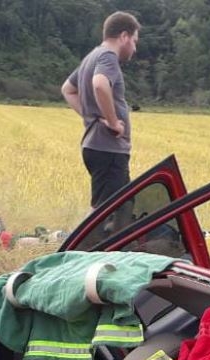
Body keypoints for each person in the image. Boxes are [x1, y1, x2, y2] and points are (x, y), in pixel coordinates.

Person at [61, 11, 140, 210]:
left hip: (97, 146)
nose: (135, 48)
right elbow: (99, 84)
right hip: (108, 149)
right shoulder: (107, 57)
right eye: (134, 41)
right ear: (124, 36)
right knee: (106, 214)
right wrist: (112, 122)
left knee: (122, 208)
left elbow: (68, 90)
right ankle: (86, 242)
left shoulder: (92, 56)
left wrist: (93, 117)